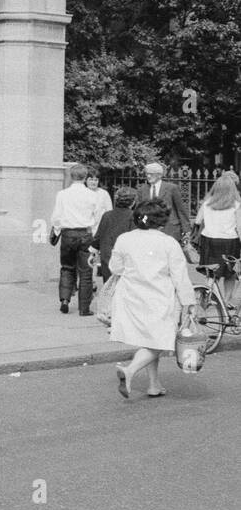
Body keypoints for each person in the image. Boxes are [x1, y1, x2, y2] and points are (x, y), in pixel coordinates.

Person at [110, 199, 197, 400]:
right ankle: (130, 371)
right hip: (158, 297)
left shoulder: (124, 239)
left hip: (130, 296)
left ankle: (154, 385)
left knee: (149, 340)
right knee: (160, 342)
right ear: (162, 220)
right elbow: (180, 276)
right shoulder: (168, 243)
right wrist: (188, 302)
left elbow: (115, 268)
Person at [50, 162, 102, 315]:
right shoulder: (93, 195)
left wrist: (58, 230)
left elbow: (56, 218)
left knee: (67, 267)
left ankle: (65, 299)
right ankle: (84, 308)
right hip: (85, 234)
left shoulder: (62, 194)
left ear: (71, 176)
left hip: (68, 234)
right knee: (86, 271)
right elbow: (97, 218)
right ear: (85, 177)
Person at [194, 174, 241, 304]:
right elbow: (239, 226)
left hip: (208, 240)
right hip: (229, 241)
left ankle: (206, 296)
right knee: (230, 274)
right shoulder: (236, 204)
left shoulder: (207, 203)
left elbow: (197, 220)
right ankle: (225, 301)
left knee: (211, 272)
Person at [135, 162, 190, 242]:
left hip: (169, 228)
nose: (148, 176)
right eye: (147, 174)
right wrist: (141, 226)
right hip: (148, 229)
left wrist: (186, 230)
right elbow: (139, 211)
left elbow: (181, 209)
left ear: (159, 175)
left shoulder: (172, 188)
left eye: (151, 174)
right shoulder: (142, 190)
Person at [92, 187, 138, 282]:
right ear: (133, 202)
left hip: (107, 256)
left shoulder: (107, 215)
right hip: (125, 257)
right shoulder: (134, 216)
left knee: (108, 285)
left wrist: (93, 252)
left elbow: (99, 235)